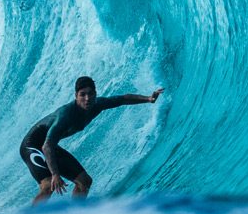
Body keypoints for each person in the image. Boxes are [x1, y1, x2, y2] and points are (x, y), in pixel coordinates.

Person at [19, 75, 164, 204]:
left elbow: (122, 99)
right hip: (32, 145)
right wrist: (56, 174)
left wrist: (148, 99)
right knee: (48, 184)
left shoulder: (97, 105)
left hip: (49, 145)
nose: (87, 99)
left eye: (90, 94)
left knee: (84, 182)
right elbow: (46, 147)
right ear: (76, 96)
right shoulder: (65, 115)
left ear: (95, 94)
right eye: (82, 95)